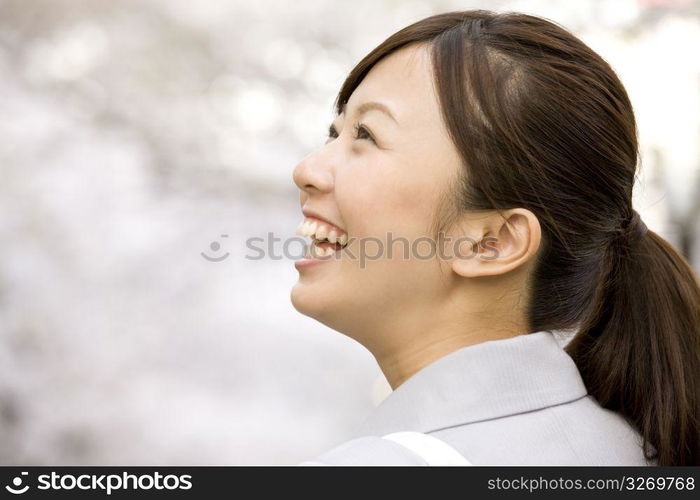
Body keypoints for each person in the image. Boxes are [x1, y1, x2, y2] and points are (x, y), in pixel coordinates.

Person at [290, 9, 700, 466]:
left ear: (492, 242)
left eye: (365, 134)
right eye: (335, 131)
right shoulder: (637, 452)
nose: (306, 170)